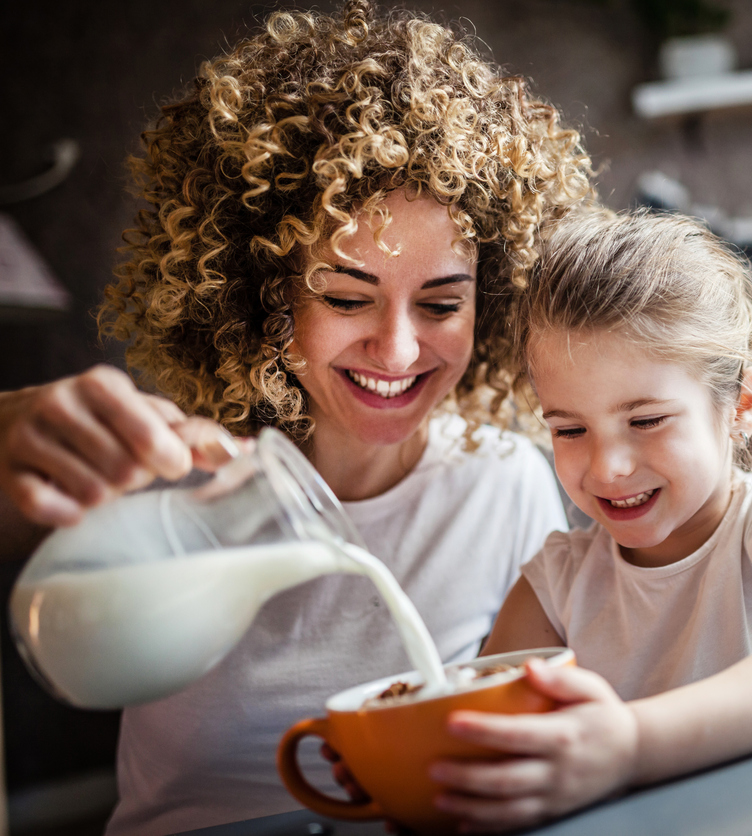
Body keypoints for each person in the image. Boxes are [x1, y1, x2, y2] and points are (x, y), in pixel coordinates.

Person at [0, 2, 593, 833]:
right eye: (347, 297)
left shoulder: (503, 482)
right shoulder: (167, 470)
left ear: (489, 303)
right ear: (269, 297)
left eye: (441, 303)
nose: (396, 350)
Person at [429, 209, 752, 831]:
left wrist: (632, 744)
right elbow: (481, 724)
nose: (608, 467)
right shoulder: (558, 580)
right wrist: (407, 760)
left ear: (739, 405)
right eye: (569, 429)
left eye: (646, 421)